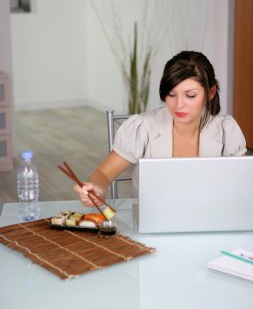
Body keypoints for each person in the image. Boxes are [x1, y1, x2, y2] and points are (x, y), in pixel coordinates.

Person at [75, 50, 247, 206]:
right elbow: (103, 175)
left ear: (210, 93)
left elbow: (243, 185)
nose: (179, 105)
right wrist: (96, 188)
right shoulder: (144, 127)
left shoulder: (226, 130)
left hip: (211, 221)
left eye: (190, 95)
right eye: (171, 94)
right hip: (151, 223)